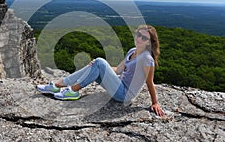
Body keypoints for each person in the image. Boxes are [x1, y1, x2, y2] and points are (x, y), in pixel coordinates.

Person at [37, 25, 165, 116]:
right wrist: (98, 66)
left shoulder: (147, 59)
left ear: (149, 42)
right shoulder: (132, 51)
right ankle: (58, 85)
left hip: (124, 94)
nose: (139, 39)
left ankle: (73, 91)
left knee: (99, 62)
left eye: (144, 38)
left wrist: (155, 103)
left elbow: (150, 82)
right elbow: (117, 70)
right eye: (138, 35)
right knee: (95, 64)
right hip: (118, 86)